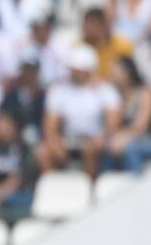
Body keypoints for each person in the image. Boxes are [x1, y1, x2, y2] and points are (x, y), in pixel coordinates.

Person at [38, 44, 120, 179]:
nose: (72, 72)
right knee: (43, 152)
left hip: (95, 139)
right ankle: (54, 188)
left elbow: (112, 121)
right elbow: (50, 125)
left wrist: (101, 138)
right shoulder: (59, 90)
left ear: (87, 70)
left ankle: (91, 186)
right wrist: (54, 143)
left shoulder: (104, 90)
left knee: (91, 151)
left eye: (76, 69)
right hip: (68, 139)